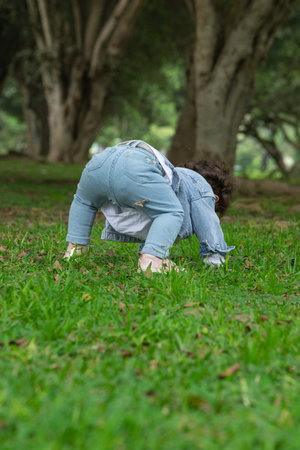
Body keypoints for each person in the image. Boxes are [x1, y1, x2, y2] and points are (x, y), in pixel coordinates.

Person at [64, 140, 234, 272]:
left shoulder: (170, 180)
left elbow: (151, 221)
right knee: (171, 212)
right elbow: (208, 224)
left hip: (100, 161)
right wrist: (215, 259)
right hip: (135, 164)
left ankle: (75, 251)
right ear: (215, 199)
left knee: (84, 202)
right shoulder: (200, 186)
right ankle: (152, 261)